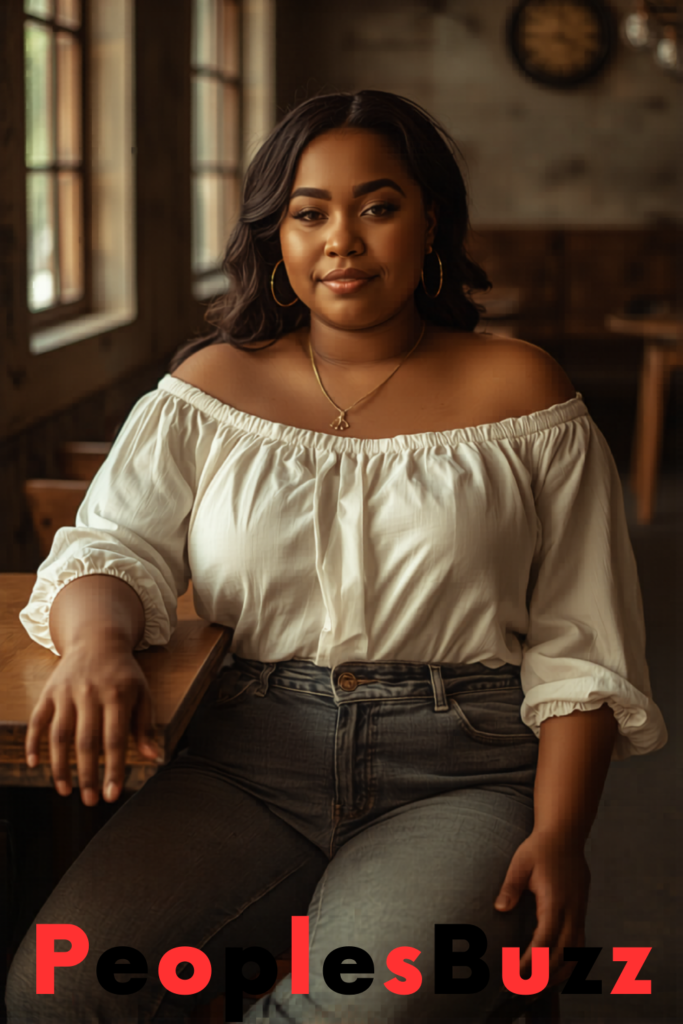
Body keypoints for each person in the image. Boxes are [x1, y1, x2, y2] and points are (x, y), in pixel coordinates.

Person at [6, 90, 667, 1024]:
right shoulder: (209, 388)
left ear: (429, 221)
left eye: (377, 207)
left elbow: (582, 641)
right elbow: (113, 547)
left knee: (354, 1011)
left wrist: (562, 832)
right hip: (241, 756)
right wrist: (96, 646)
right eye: (308, 213)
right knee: (55, 990)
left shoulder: (520, 391)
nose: (341, 240)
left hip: (461, 773)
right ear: (276, 236)